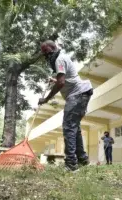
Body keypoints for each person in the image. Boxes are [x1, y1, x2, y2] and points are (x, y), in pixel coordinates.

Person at [38, 40, 93, 172]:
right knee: (75, 128)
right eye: (44, 54)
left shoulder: (59, 60)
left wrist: (46, 98)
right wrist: (54, 80)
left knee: (69, 127)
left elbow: (61, 83)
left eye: (47, 52)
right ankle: (83, 160)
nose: (46, 56)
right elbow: (64, 79)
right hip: (81, 93)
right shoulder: (61, 59)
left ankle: (71, 165)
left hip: (78, 94)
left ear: (54, 48)